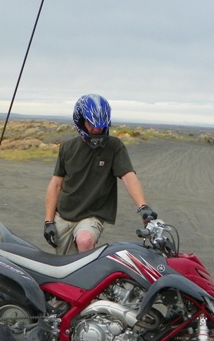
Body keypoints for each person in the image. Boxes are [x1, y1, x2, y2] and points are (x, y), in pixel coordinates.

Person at [44, 94, 156, 255]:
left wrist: (143, 207)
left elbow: (128, 177)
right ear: (80, 120)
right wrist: (48, 222)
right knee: (64, 268)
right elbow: (56, 185)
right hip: (63, 216)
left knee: (85, 241)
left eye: (101, 125)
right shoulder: (67, 148)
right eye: (92, 124)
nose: (97, 129)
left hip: (91, 216)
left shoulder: (114, 147)